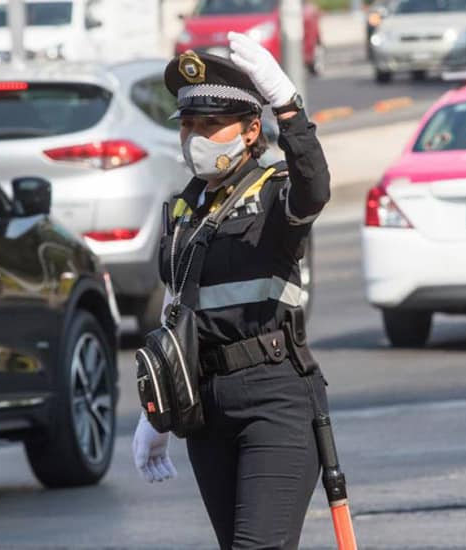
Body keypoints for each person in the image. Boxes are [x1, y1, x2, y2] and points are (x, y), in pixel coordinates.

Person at [132, 32, 331, 550]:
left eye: (212, 124)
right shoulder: (181, 212)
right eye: (189, 125)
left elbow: (315, 187)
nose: (196, 136)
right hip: (205, 410)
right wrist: (157, 411)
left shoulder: (273, 194)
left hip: (274, 398)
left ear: (248, 132)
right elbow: (181, 315)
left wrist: (287, 105)